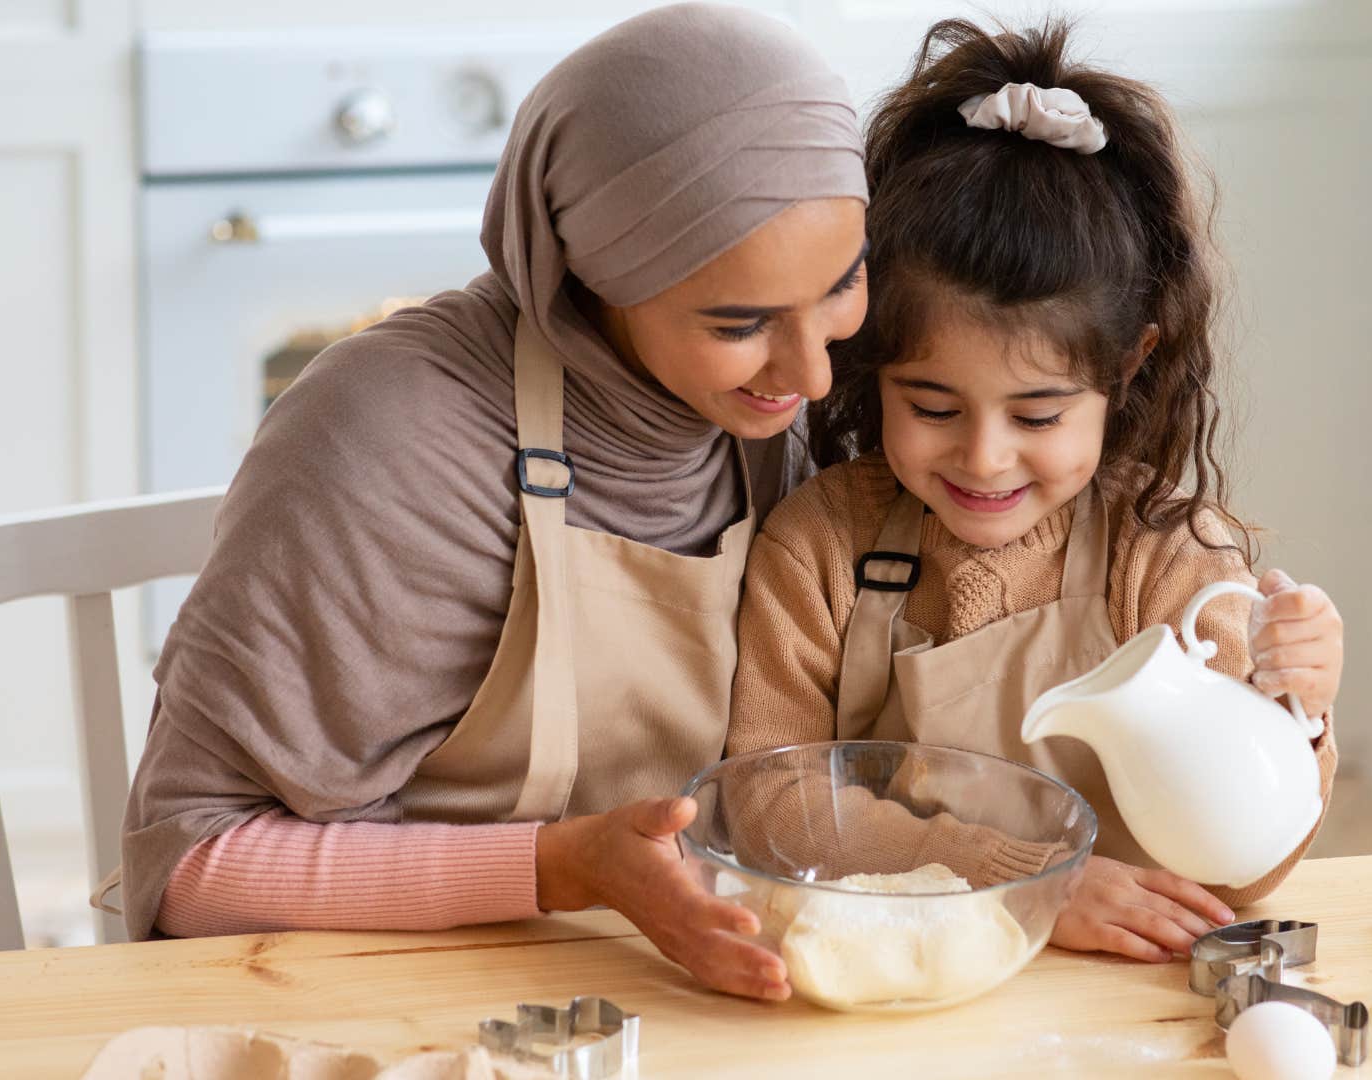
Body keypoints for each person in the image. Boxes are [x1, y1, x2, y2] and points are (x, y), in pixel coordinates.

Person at [114, 3, 865, 1003]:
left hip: (686, 994)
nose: (813, 374)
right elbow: (192, 870)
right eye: (739, 322)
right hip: (387, 1005)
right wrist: (560, 866)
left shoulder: (820, 413)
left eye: (844, 284)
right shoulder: (388, 442)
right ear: (588, 276)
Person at [728, 17, 1344, 965]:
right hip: (893, 984)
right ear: (871, 362)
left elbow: (1244, 870)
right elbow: (771, 808)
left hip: (1118, 1000)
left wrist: (1299, 714)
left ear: (1126, 368)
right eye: (931, 405)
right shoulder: (821, 546)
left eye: (1039, 416)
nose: (984, 458)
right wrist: (1027, 883)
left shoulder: (1168, 556)